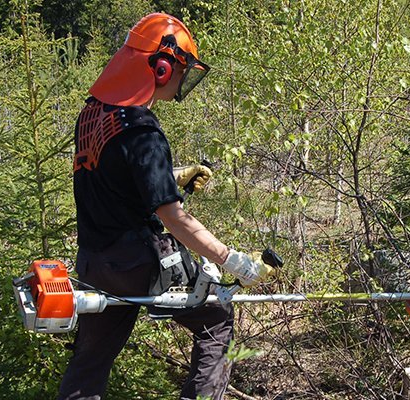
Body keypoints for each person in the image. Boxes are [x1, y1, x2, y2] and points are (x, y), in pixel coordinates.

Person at [57, 13, 273, 400]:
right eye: (180, 70)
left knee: (91, 359)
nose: (179, 83)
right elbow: (173, 217)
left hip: (95, 261)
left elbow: (114, 175)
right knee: (216, 320)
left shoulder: (92, 113)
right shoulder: (142, 130)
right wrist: (233, 261)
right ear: (160, 67)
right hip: (139, 261)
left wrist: (171, 176)